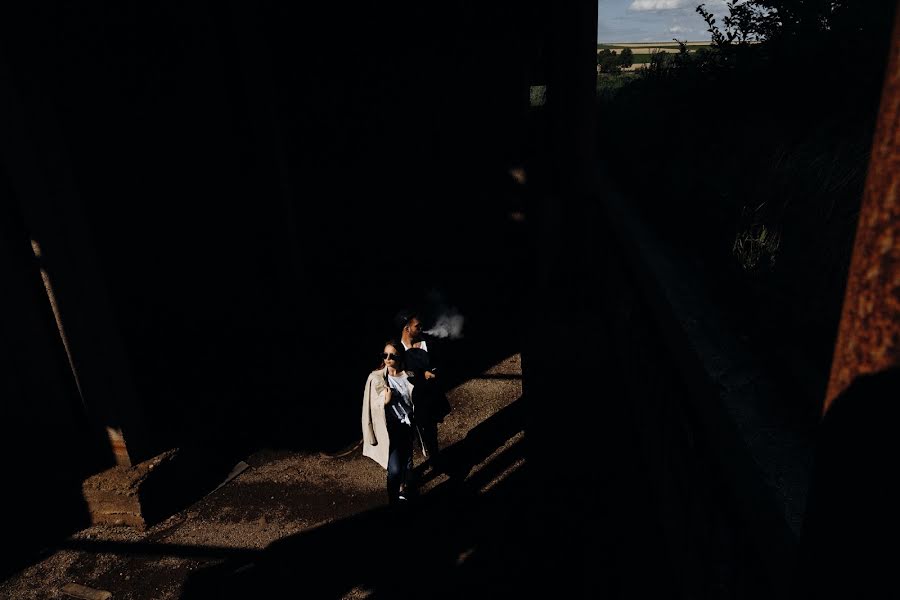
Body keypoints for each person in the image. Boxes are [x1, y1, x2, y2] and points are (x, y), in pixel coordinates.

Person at [361, 340, 418, 504]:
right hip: (388, 429)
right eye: (384, 355)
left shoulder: (409, 376)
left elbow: (416, 399)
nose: (387, 358)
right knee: (394, 468)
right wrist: (384, 401)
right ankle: (392, 500)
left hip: (407, 426)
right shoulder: (376, 377)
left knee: (407, 464)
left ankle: (404, 490)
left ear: (400, 356)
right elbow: (370, 405)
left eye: (392, 355)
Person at [395, 309, 451, 471]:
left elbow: (441, 364)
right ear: (407, 329)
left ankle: (435, 459)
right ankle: (407, 473)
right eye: (417, 326)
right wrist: (420, 375)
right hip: (408, 400)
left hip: (428, 398)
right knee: (407, 436)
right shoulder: (397, 349)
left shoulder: (429, 344)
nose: (421, 329)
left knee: (431, 431)